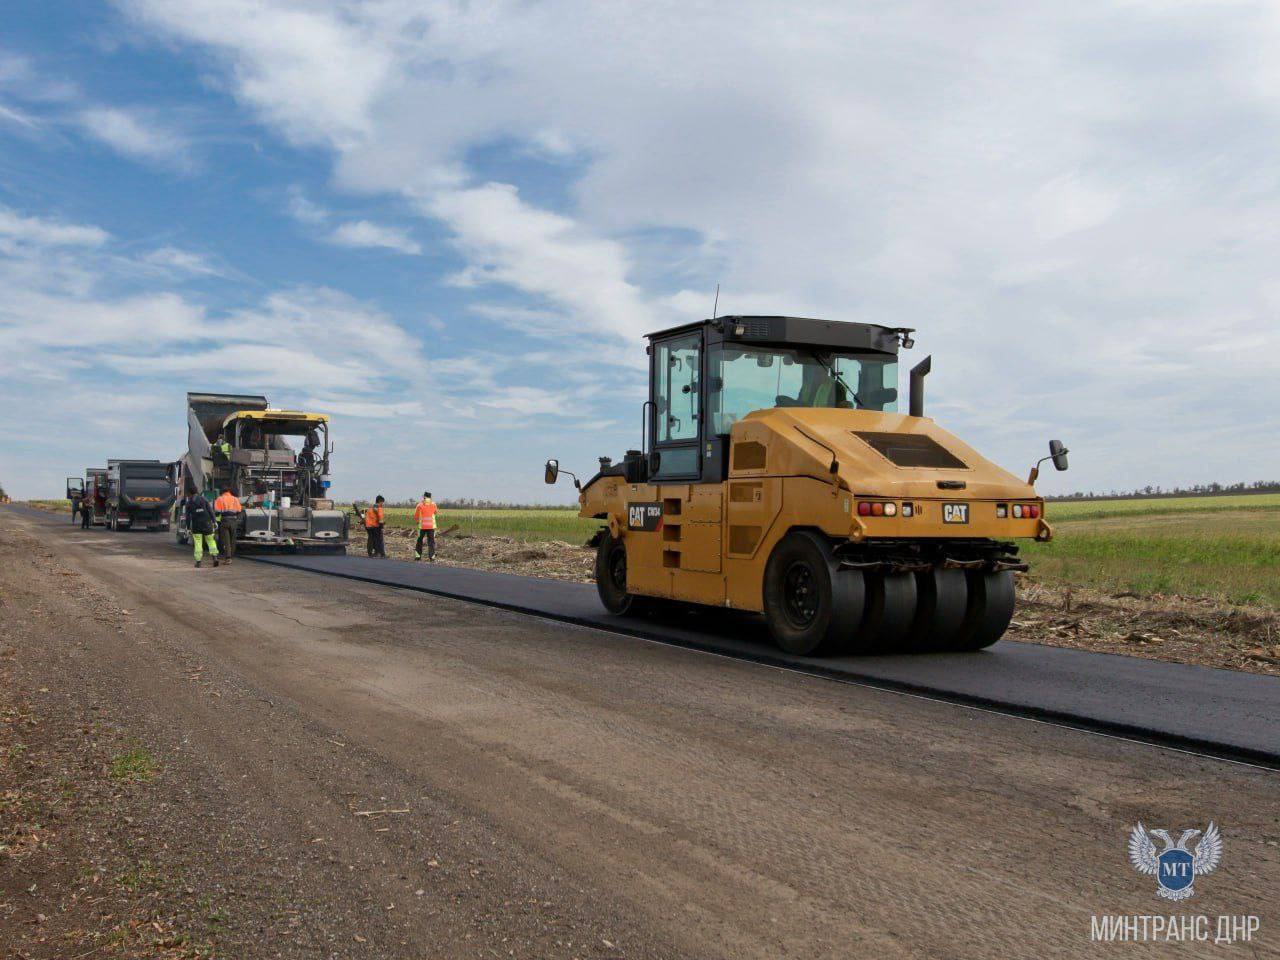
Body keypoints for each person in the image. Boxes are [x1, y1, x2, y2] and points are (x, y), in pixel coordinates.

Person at [185, 489, 219, 568]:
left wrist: (188, 528)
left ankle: (198, 562)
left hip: (196, 525)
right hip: (207, 523)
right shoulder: (204, 499)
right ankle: (215, 558)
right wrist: (214, 522)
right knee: (210, 540)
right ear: (197, 492)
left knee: (198, 543)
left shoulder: (189, 503)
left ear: (190, 494)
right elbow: (210, 511)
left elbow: (187, 517)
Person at [213, 484, 243, 564]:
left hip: (225, 521)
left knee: (226, 540)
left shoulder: (220, 499)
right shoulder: (235, 499)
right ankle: (231, 556)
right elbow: (239, 510)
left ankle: (228, 558)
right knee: (233, 539)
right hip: (233, 521)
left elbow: (217, 512)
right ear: (229, 491)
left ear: (222, 492)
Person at [413, 491, 438, 561]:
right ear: (430, 497)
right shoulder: (434, 504)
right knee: (431, 542)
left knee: (419, 541)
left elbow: (415, 516)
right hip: (431, 527)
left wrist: (418, 522)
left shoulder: (419, 505)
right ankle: (432, 557)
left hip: (422, 527)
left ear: (424, 496)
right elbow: (435, 512)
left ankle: (418, 556)